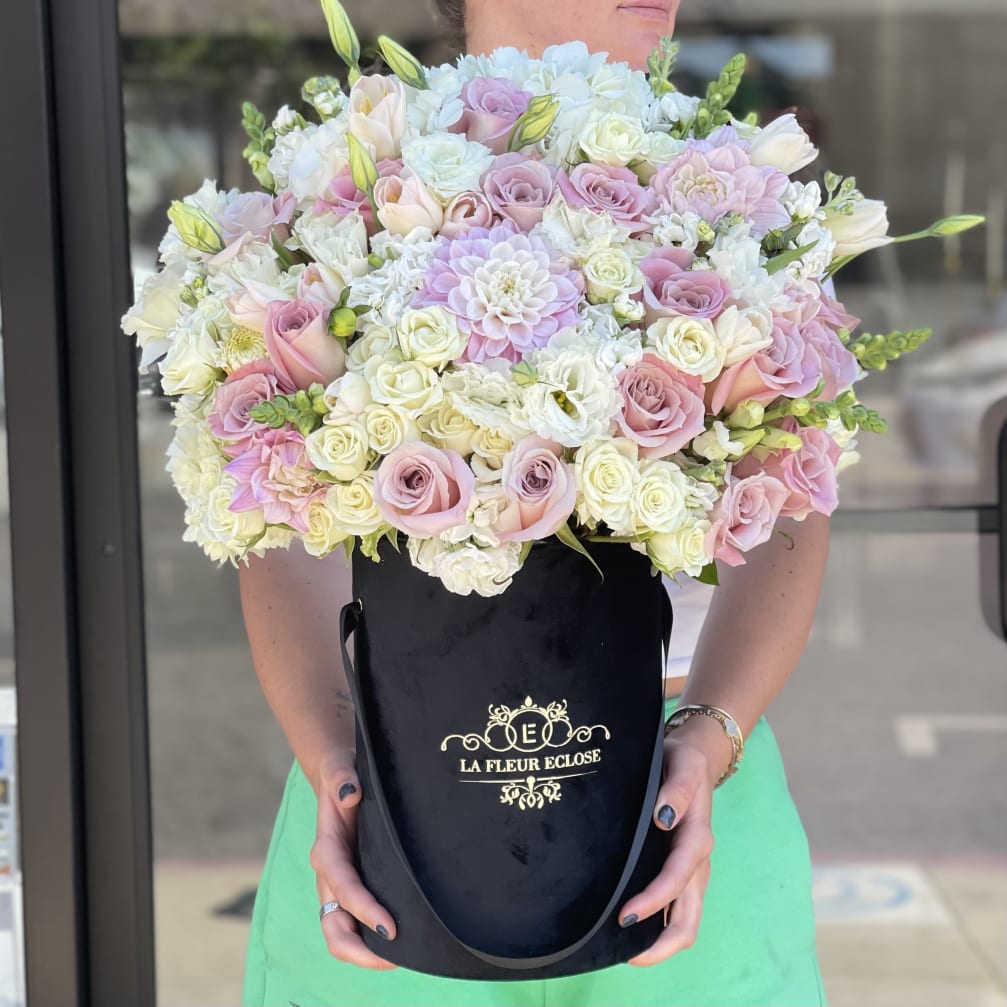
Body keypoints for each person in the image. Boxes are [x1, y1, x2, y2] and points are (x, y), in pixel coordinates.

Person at [240, 2, 831, 1004]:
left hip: (689, 797)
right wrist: (331, 752)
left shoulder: (731, 190)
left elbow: (792, 500)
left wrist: (711, 734)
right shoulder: (340, 180)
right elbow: (272, 501)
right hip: (394, 804)